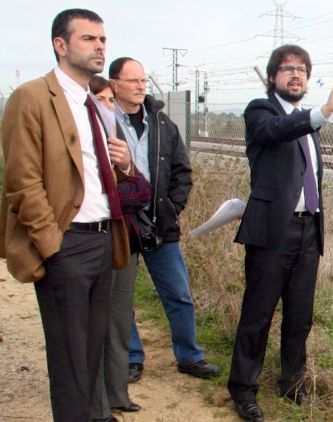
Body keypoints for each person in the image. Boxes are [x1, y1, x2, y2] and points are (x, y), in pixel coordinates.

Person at [0, 9, 134, 421]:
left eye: (103, 39)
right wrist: (52, 245)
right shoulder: (33, 97)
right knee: (70, 360)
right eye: (89, 39)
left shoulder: (92, 104)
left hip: (102, 241)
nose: (100, 47)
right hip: (67, 244)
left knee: (90, 355)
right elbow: (22, 180)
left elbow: (93, 176)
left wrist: (125, 165)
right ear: (61, 45)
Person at [228, 44, 333, 422]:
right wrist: (324, 111)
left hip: (307, 230)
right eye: (287, 69)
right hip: (272, 231)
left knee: (300, 316)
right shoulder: (261, 112)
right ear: (273, 77)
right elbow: (275, 132)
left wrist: (316, 116)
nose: (296, 74)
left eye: (302, 69)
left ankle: (291, 382)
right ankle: (243, 390)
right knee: (258, 315)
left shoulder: (306, 121)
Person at [107, 56, 220, 382]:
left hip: (160, 225)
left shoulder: (162, 123)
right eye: (133, 81)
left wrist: (171, 209)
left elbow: (182, 171)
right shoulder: (103, 122)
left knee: (178, 294)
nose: (141, 86)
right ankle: (131, 358)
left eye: (143, 80)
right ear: (114, 84)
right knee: (121, 298)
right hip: (122, 225)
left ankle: (190, 357)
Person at [89, 75, 151, 422]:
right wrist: (113, 196)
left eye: (111, 100)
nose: (108, 107)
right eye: (102, 100)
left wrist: (126, 166)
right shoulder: (82, 143)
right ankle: (95, 403)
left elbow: (140, 193)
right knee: (92, 326)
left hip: (122, 243)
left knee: (118, 319)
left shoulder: (116, 143)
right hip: (87, 243)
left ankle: (117, 393)